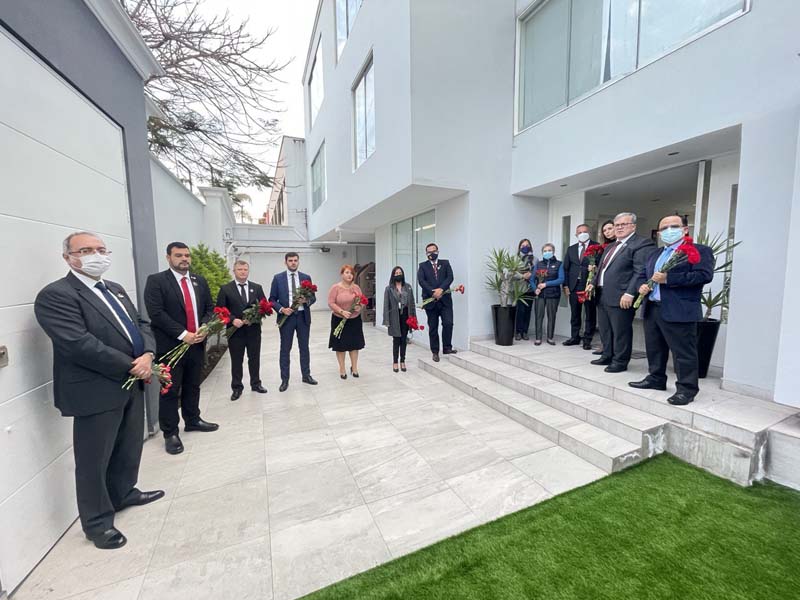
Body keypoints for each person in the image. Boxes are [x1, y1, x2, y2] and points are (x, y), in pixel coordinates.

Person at [34, 232, 164, 550]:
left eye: (101, 249)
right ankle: (97, 523)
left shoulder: (114, 289)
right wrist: (131, 365)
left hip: (132, 382)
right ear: (68, 257)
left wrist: (148, 354)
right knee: (94, 459)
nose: (96, 255)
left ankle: (123, 493)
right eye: (86, 250)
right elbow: (78, 343)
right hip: (96, 390)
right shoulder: (57, 295)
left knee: (128, 446)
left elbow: (141, 324)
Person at [629, 215, 714, 405]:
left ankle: (686, 389)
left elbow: (704, 275)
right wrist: (641, 286)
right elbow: (642, 274)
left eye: (673, 226)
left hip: (679, 309)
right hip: (653, 307)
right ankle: (656, 378)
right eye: (664, 228)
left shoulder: (699, 250)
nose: (668, 231)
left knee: (683, 352)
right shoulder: (655, 253)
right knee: (654, 348)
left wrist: (669, 279)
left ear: (685, 229)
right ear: (659, 233)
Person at [145, 242, 219, 455]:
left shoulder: (199, 280)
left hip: (196, 343)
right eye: (179, 255)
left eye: (187, 255)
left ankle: (193, 419)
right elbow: (156, 313)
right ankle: (170, 433)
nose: (184, 259)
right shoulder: (157, 281)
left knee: (193, 385)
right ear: (168, 257)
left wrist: (205, 327)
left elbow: (209, 308)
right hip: (171, 347)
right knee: (170, 390)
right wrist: (183, 334)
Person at [586, 212, 656, 373]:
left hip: (622, 296)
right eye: (617, 225)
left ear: (633, 226)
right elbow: (602, 269)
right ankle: (607, 355)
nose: (619, 228)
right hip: (602, 294)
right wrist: (593, 283)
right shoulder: (611, 246)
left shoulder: (641, 244)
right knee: (605, 328)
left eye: (624, 224)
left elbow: (640, 271)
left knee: (620, 331)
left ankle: (620, 361)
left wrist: (630, 293)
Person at [216, 260, 268, 401]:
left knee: (254, 358)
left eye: (245, 269)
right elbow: (220, 310)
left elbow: (264, 307)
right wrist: (232, 319)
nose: (243, 272)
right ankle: (237, 388)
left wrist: (255, 318)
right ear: (234, 271)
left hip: (253, 331)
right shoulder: (226, 289)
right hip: (235, 332)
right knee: (236, 360)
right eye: (240, 269)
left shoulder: (257, 288)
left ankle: (256, 384)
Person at [269, 252, 318, 392]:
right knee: (285, 349)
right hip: (287, 318)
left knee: (304, 348)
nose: (293, 263)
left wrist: (306, 301)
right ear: (285, 262)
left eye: (295, 260)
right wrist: (281, 309)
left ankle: (306, 375)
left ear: (298, 261)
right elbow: (272, 299)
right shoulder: (278, 278)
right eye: (290, 260)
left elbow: (313, 298)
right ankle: (284, 380)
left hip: (303, 317)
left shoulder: (305, 277)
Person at [417, 243, 457, 362]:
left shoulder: (445, 263)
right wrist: (432, 292)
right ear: (426, 254)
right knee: (433, 327)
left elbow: (450, 277)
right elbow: (421, 281)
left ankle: (447, 347)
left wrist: (441, 290)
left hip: (445, 300)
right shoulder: (422, 266)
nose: (431, 254)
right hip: (430, 301)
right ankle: (435, 351)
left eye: (433, 251)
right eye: (429, 252)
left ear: (438, 251)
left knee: (448, 323)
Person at [328, 264, 366, 378]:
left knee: (354, 345)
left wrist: (360, 307)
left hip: (354, 320)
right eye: (347, 273)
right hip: (339, 319)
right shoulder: (335, 288)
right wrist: (341, 311)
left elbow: (362, 301)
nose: (350, 275)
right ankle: (342, 368)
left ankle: (354, 368)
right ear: (342, 274)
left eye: (351, 273)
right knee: (340, 345)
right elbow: (331, 303)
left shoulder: (356, 288)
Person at [562, 224, 597, 350]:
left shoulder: (597, 247)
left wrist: (594, 272)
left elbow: (601, 267)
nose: (582, 234)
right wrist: (565, 285)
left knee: (590, 313)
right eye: (580, 232)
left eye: (585, 231)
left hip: (589, 286)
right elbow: (566, 268)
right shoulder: (571, 249)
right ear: (576, 235)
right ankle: (575, 337)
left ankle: (587, 339)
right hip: (574, 285)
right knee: (575, 313)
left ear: (589, 232)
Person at [383, 266, 417, 372]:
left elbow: (412, 304)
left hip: (406, 316)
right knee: (396, 340)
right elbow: (386, 305)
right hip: (394, 317)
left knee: (404, 339)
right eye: (396, 273)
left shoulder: (408, 287)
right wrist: (386, 320)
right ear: (393, 275)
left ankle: (402, 361)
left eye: (400, 273)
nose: (398, 275)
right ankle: (395, 362)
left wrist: (414, 319)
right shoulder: (389, 289)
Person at [592, 219, 618, 356]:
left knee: (616, 326)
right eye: (604, 230)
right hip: (601, 289)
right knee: (604, 324)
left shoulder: (621, 246)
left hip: (615, 290)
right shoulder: (603, 248)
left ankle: (614, 352)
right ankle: (606, 349)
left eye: (609, 228)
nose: (607, 232)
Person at [532, 243, 564, 346]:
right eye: (545, 251)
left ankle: (550, 337)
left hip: (553, 295)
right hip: (540, 295)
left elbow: (561, 279)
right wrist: (535, 289)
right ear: (542, 253)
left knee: (551, 316)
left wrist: (546, 284)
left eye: (549, 250)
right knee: (538, 316)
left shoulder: (559, 264)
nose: (547, 252)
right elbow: (532, 279)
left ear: (553, 252)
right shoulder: (538, 264)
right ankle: (538, 338)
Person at [515, 238, 536, 341]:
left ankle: (525, 332)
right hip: (519, 289)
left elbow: (537, 272)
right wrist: (522, 276)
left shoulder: (535, 259)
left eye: (527, 245)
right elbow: (511, 272)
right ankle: (518, 332)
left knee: (528, 311)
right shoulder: (515, 259)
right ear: (519, 247)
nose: (525, 247)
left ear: (530, 247)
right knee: (520, 311)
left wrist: (531, 275)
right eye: (523, 245)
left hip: (530, 288)